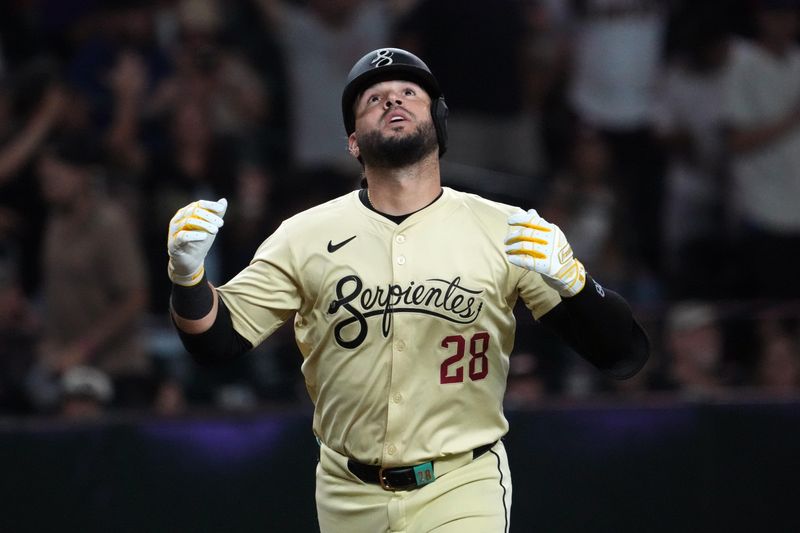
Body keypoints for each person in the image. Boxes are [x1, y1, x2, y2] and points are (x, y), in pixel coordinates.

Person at [168, 48, 649, 532]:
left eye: (408, 93)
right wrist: (188, 277)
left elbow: (622, 355)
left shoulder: (504, 228)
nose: (392, 100)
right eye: (373, 98)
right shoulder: (304, 235)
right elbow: (216, 342)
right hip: (347, 491)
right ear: (354, 142)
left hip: (462, 483)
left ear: (437, 121)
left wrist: (576, 283)